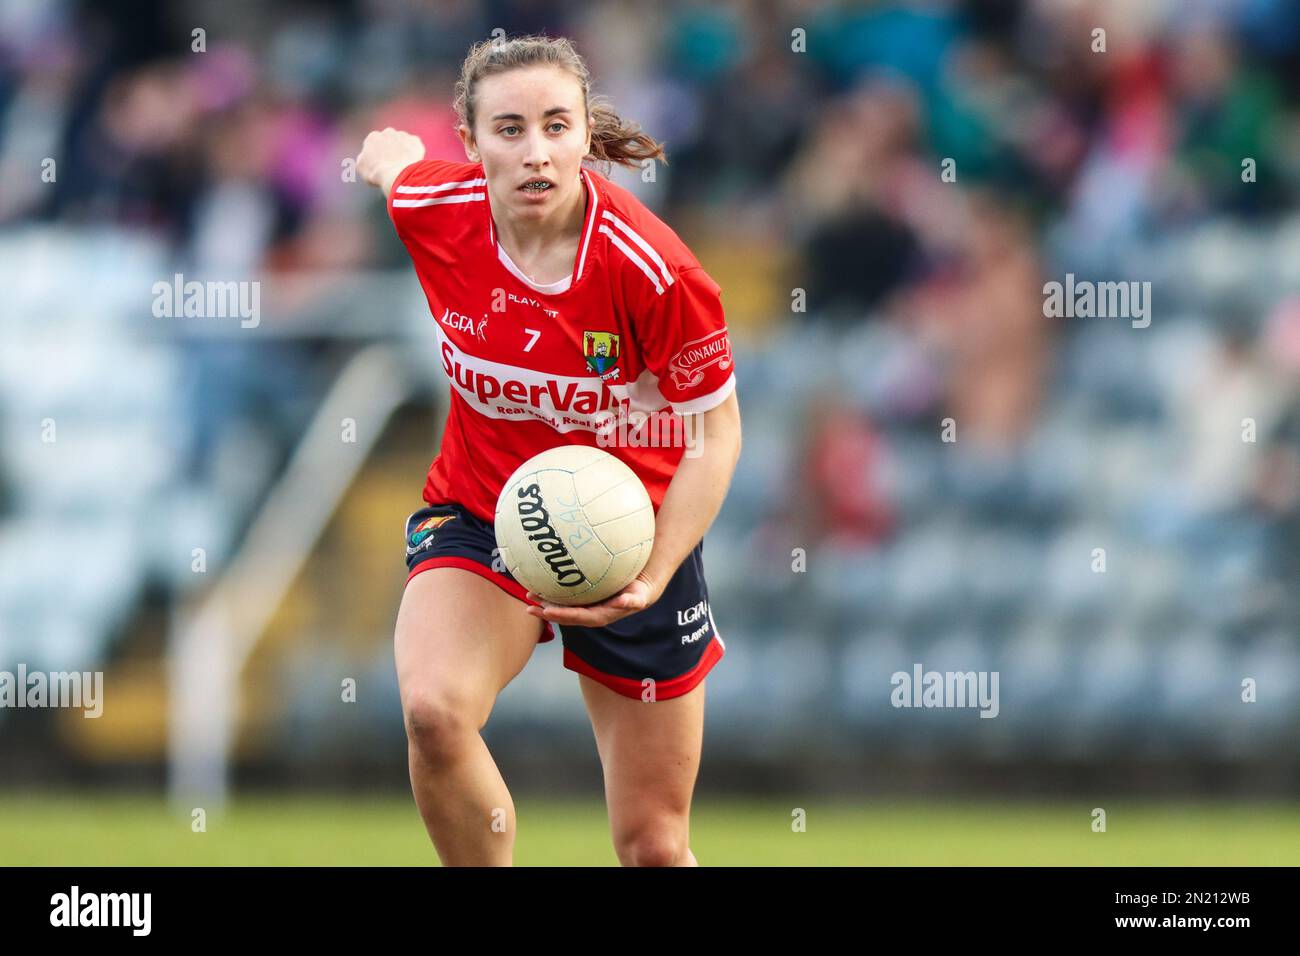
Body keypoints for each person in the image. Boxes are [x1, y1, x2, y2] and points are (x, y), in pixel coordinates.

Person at [355, 35, 742, 866]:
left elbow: (718, 435)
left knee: (653, 847)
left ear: (583, 136)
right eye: (509, 129)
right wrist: (387, 156)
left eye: (556, 126)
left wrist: (652, 572)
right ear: (472, 143)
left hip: (631, 537)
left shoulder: (654, 270)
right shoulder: (434, 211)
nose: (535, 153)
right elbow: (399, 170)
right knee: (432, 711)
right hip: (481, 513)